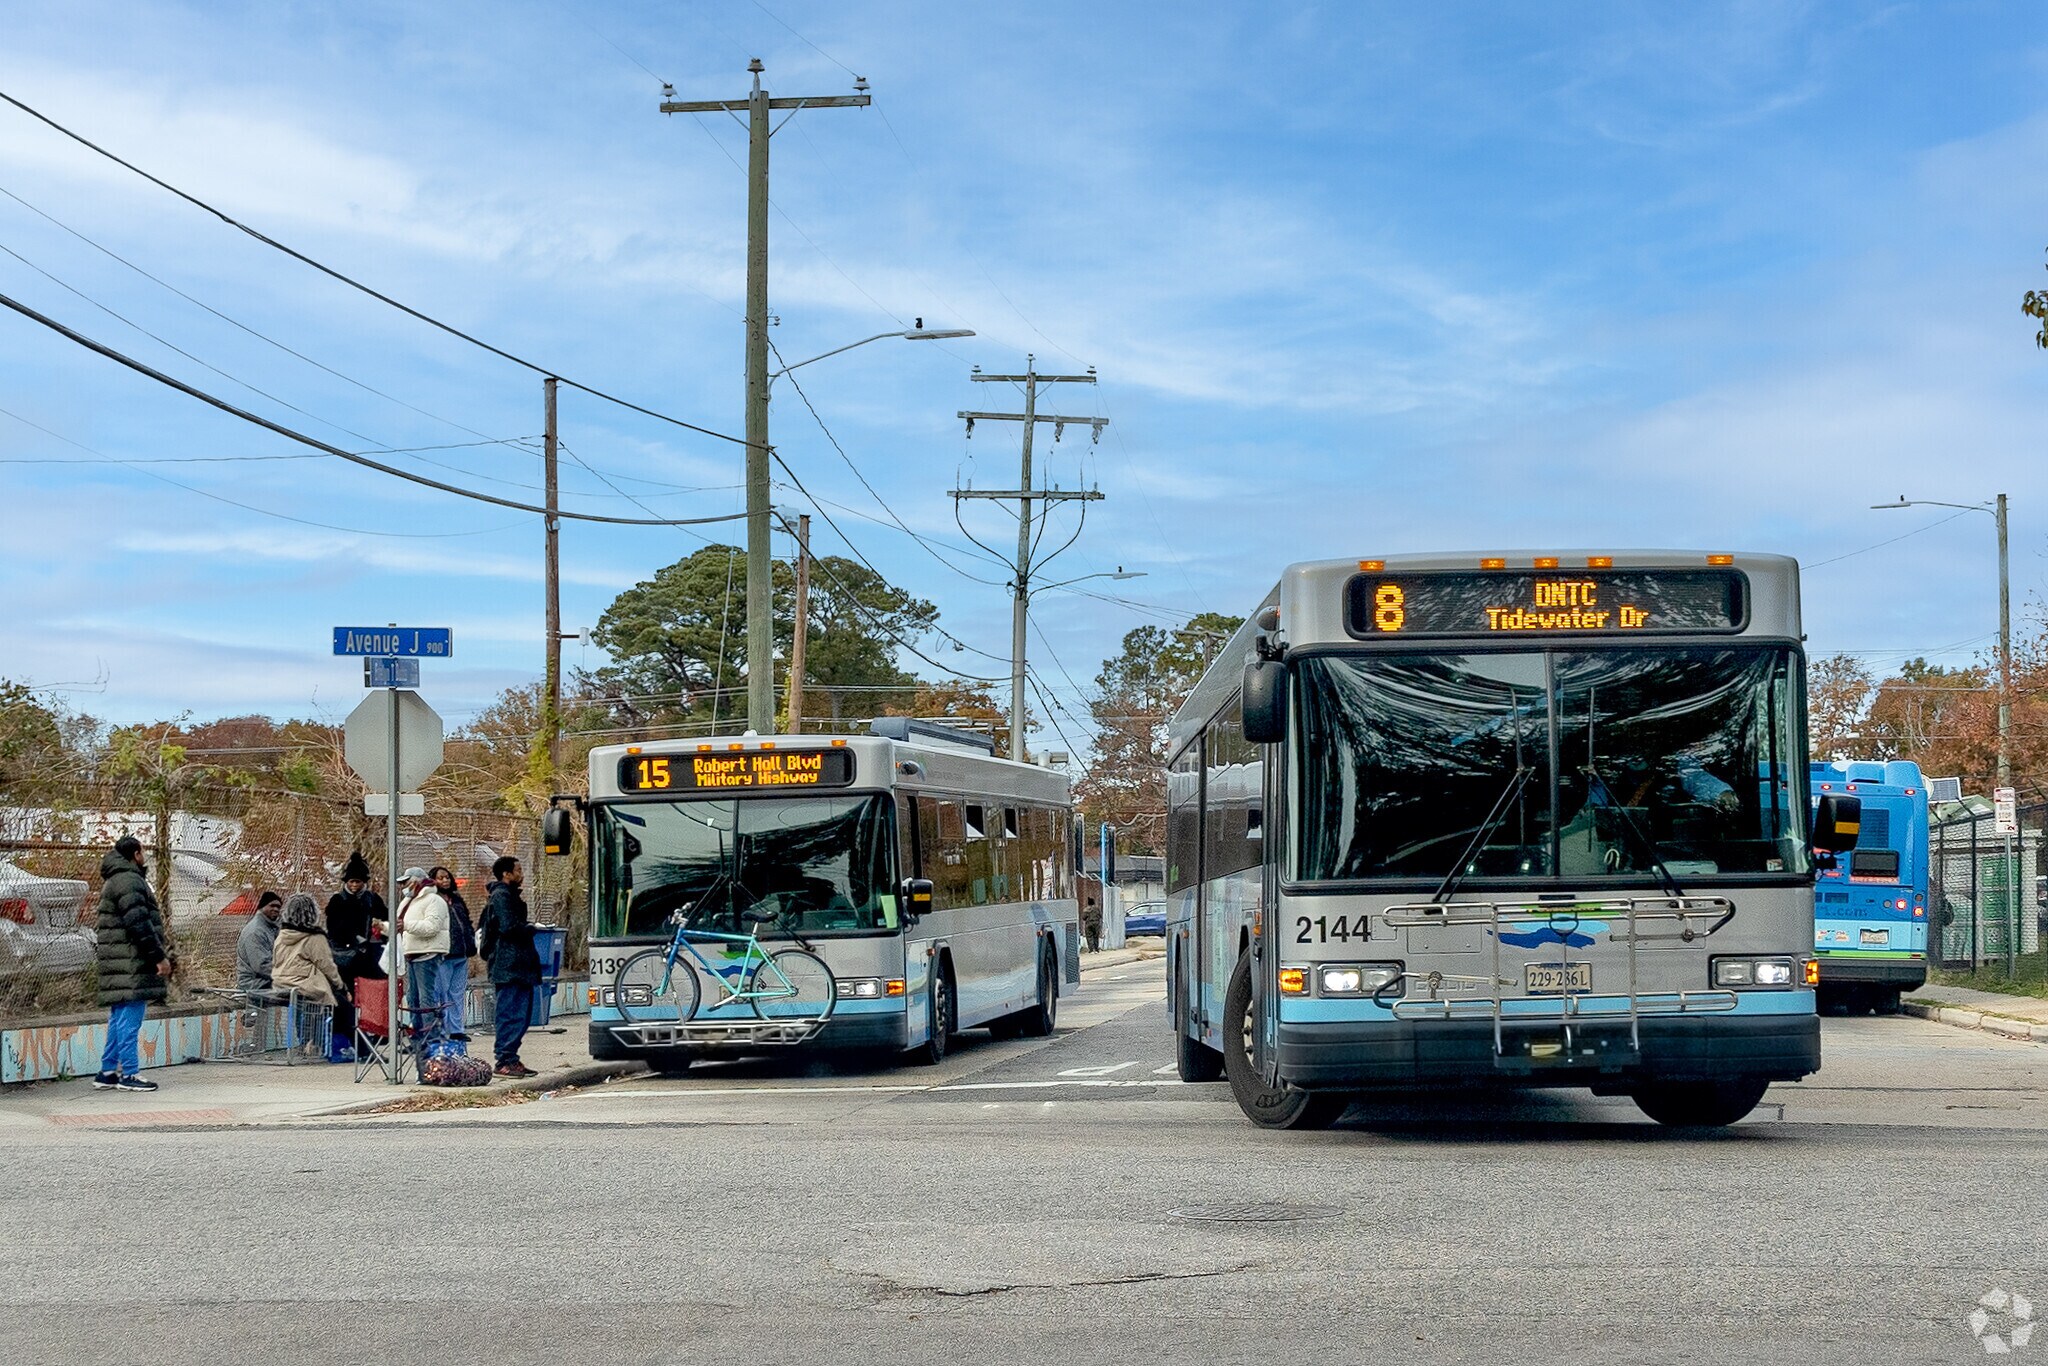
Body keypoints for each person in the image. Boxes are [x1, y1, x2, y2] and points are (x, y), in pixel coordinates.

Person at [93, 835, 171, 1093]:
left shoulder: (117, 878)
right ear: (136, 854)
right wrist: (158, 956)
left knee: (119, 1017)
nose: (145, 856)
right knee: (129, 1020)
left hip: (120, 962)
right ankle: (129, 1073)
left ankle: (107, 1071)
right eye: (143, 852)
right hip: (131, 963)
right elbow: (139, 923)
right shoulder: (130, 880)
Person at [479, 855, 540, 1079]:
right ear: (507, 874)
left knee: (520, 1014)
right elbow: (508, 927)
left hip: (517, 964)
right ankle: (504, 1059)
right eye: (518, 870)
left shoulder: (507, 896)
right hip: (510, 964)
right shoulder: (502, 896)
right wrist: (530, 928)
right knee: (511, 1013)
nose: (521, 873)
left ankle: (511, 1057)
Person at [272, 893, 351, 1058]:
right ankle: (323, 1044)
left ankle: (306, 1042)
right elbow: (327, 966)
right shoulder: (315, 937)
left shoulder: (282, 934)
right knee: (338, 1002)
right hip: (304, 983)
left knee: (305, 1004)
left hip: (281, 982)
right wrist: (341, 986)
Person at [395, 867, 449, 1045]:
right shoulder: (407, 902)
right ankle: (417, 1039)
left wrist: (406, 925)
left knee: (426, 998)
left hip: (427, 954)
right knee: (413, 998)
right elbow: (401, 925)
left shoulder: (434, 900)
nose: (403, 886)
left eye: (406, 881)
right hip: (412, 954)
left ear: (417, 880)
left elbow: (431, 927)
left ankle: (430, 1039)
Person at [325, 851, 389, 990]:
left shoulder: (373, 899)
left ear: (364, 882)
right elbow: (333, 929)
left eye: (358, 881)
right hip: (345, 956)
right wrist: (353, 938)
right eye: (351, 881)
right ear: (346, 882)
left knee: (372, 992)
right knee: (348, 992)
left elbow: (385, 921)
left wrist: (377, 938)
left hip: (371, 956)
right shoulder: (337, 901)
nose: (354, 885)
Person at [432, 866, 477, 1041]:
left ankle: (457, 1029)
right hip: (444, 955)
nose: (445, 881)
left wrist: (470, 940)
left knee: (457, 993)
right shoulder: (433, 901)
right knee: (442, 993)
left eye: (447, 877)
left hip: (461, 953)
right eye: (440, 878)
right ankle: (443, 1030)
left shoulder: (456, 899)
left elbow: (466, 921)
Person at [235, 890, 283, 994]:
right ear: (262, 906)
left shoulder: (269, 928)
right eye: (272, 905)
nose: (276, 909)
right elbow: (261, 966)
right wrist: (286, 975)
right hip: (253, 985)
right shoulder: (255, 931)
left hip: (263, 982)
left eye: (279, 907)